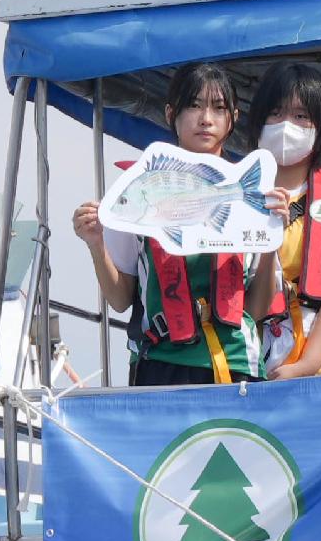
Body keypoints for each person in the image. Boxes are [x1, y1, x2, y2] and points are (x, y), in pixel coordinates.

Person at [68, 62, 265, 386]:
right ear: (171, 112)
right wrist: (95, 242)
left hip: (238, 362)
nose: (206, 119)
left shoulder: (251, 195)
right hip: (160, 361)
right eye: (194, 105)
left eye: (218, 108)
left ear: (234, 118)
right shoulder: (138, 188)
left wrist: (271, 239)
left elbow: (257, 309)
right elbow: (119, 299)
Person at [243, 64, 321, 381]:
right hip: (245, 355)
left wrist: (307, 364)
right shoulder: (234, 197)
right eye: (275, 112)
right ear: (257, 120)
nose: (286, 125)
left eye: (301, 116)